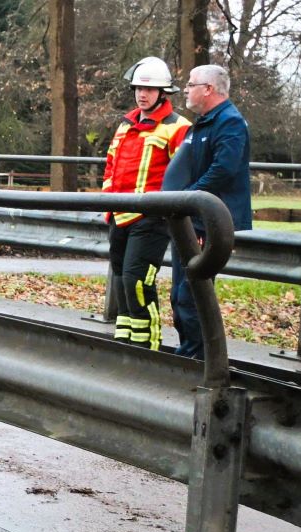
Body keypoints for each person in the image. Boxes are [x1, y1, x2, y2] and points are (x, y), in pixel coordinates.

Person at [160, 64, 252, 359]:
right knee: (179, 294)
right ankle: (189, 353)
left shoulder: (230, 123)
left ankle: (200, 360)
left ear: (208, 89)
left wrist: (191, 197)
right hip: (188, 218)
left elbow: (223, 170)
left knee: (191, 295)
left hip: (207, 223)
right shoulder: (203, 123)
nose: (185, 89)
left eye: (190, 83)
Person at [102, 57, 189, 350]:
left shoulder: (178, 127)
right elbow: (111, 167)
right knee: (120, 280)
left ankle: (147, 346)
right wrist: (108, 207)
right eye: (138, 88)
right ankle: (125, 341)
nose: (142, 94)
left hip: (152, 219)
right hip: (119, 216)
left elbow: (184, 175)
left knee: (137, 281)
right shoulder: (125, 125)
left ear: (163, 93)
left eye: (149, 90)